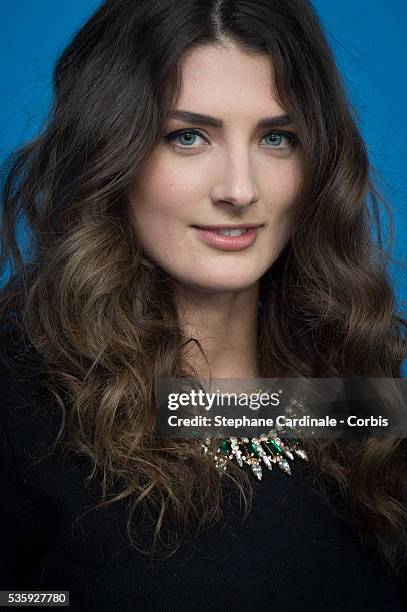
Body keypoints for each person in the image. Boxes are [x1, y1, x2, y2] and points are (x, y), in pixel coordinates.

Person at [0, 0, 406, 610]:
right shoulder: (17, 387)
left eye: (277, 138)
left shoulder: (346, 386)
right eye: (187, 137)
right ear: (110, 151)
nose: (239, 189)